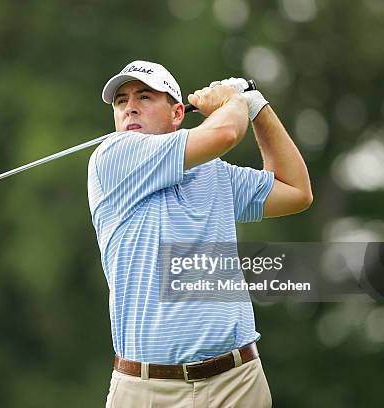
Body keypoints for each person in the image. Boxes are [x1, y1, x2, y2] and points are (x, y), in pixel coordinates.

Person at [87, 60, 312, 407]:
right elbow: (224, 133)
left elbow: (296, 191)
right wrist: (233, 100)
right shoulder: (113, 158)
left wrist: (256, 105)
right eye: (121, 101)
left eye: (144, 97)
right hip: (147, 390)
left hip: (236, 383)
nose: (130, 106)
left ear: (177, 114)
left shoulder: (214, 174)